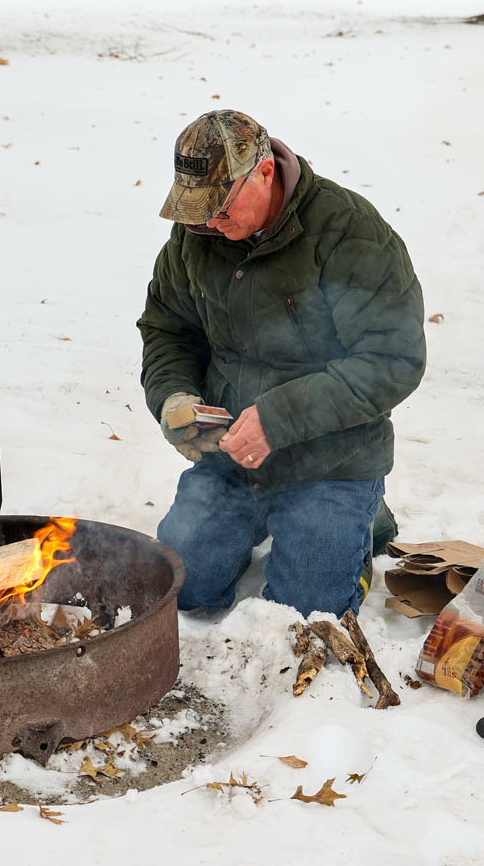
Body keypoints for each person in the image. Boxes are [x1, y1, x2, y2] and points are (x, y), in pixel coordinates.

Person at [137, 109, 425, 618]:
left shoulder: (350, 233)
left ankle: (362, 524)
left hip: (329, 458)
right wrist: (174, 396)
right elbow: (168, 330)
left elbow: (392, 360)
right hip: (230, 456)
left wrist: (279, 419)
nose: (209, 223)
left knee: (308, 610)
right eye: (197, 210)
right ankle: (259, 521)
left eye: (220, 207)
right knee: (179, 589)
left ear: (265, 172)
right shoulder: (196, 235)